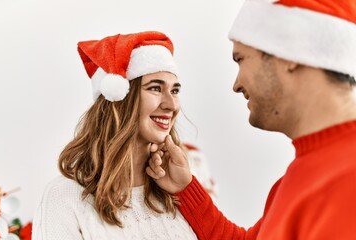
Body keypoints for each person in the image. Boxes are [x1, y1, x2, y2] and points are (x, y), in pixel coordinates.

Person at [146, 0, 356, 239]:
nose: (237, 85)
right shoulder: (299, 175)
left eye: (241, 59)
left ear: (287, 54)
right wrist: (186, 189)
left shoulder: (347, 181)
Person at [32, 31, 198, 240]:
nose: (172, 105)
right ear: (120, 100)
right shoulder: (65, 197)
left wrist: (186, 188)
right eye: (155, 88)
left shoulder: (177, 191)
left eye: (175, 91)